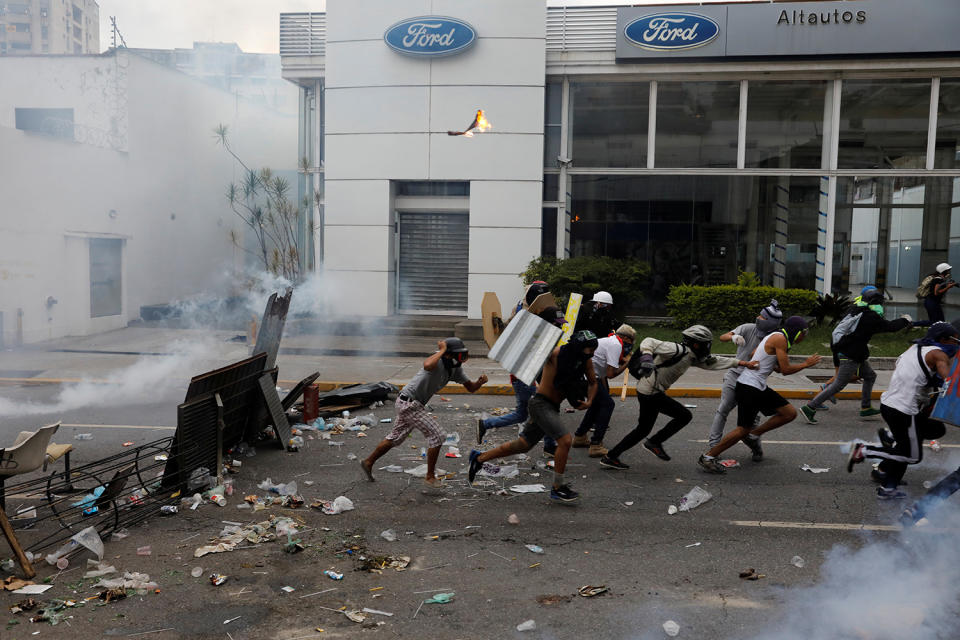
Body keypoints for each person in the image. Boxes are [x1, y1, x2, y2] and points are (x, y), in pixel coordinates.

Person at [599, 325, 758, 470]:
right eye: (706, 343)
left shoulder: (692, 357)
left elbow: (715, 362)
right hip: (650, 392)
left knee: (643, 429)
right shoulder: (677, 349)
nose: (708, 347)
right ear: (696, 344)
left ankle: (611, 456)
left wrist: (742, 363)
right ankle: (653, 442)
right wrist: (647, 358)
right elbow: (649, 341)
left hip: (650, 391)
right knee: (684, 415)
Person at [468, 330, 599, 502]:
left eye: (592, 349)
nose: (591, 353)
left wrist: (589, 401)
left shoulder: (584, 360)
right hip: (540, 404)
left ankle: (479, 457)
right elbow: (533, 350)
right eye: (588, 349)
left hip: (552, 406)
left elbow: (593, 382)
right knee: (565, 440)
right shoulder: (555, 354)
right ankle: (557, 487)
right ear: (577, 347)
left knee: (523, 445)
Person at [846, 322, 958, 499]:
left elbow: (907, 370)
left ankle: (887, 487)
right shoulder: (939, 354)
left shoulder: (915, 348)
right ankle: (865, 451)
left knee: (932, 430)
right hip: (903, 411)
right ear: (944, 339)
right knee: (912, 456)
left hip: (890, 404)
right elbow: (949, 381)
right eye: (956, 340)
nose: (957, 344)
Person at [697, 316, 821, 473]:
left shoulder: (776, 336)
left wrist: (770, 363)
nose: (805, 336)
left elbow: (754, 354)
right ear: (796, 332)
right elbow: (785, 370)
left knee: (789, 413)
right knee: (743, 429)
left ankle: (754, 435)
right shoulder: (780, 339)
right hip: (749, 387)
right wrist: (806, 364)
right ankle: (708, 457)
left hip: (756, 386)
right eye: (804, 332)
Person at [362, 338, 487, 487]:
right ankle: (429, 476)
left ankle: (368, 462)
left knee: (395, 438)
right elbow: (427, 365)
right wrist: (441, 350)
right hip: (409, 403)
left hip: (411, 404)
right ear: (447, 355)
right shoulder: (437, 361)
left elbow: (471, 387)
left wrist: (480, 382)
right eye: (457, 356)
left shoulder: (455, 368)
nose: (460, 360)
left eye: (462, 356)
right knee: (438, 435)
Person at [799, 287, 911, 424]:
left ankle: (865, 407)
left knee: (870, 376)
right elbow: (890, 327)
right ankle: (809, 407)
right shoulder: (870, 316)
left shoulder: (857, 309)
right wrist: (905, 320)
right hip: (850, 354)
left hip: (852, 351)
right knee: (839, 384)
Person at [477, 281, 563, 446]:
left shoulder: (540, 327)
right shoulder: (530, 326)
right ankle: (548, 444)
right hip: (524, 376)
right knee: (544, 408)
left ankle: (486, 424)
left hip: (524, 375)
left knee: (522, 414)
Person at [706, 300, 783, 449]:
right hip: (735, 375)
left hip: (754, 383)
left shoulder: (776, 339)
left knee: (751, 422)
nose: (758, 318)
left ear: (770, 322)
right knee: (723, 409)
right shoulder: (748, 328)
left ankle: (756, 448)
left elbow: (780, 367)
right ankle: (714, 446)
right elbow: (723, 336)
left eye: (762, 317)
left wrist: (771, 363)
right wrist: (733, 337)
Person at [572, 324, 636, 458]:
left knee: (597, 404)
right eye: (630, 342)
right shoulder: (616, 345)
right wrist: (628, 363)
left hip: (584, 376)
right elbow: (611, 374)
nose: (630, 346)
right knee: (608, 404)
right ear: (624, 337)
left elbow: (600, 368)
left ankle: (580, 437)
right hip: (585, 377)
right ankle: (596, 445)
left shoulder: (611, 340)